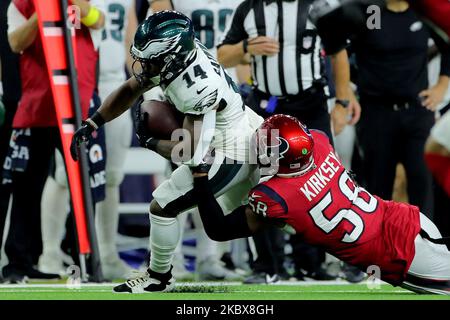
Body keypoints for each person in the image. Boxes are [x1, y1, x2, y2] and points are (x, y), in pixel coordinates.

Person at [71, 10, 264, 293]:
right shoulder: (180, 57)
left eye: (150, 60)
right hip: (234, 133)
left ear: (170, 56)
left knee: (163, 205)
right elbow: (130, 89)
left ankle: (158, 277)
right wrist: (94, 121)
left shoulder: (197, 87)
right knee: (256, 213)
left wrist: (148, 141)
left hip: (231, 148)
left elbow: (187, 151)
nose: (143, 66)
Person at [192, 114, 450, 295]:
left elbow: (219, 230)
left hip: (399, 255)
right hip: (407, 218)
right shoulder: (320, 143)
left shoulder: (275, 197)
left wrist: (201, 177)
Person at [216, 0, 362, 283]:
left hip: (310, 103)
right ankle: (268, 265)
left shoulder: (319, 6)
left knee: (320, 182)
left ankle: (312, 263)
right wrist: (246, 49)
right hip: (266, 107)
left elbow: (337, 52)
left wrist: (343, 100)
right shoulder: (249, 8)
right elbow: (222, 55)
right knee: (259, 182)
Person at [1, 0, 105, 283]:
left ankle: (85, 261)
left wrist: (71, 5)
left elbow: (99, 21)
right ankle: (18, 264)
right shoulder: (21, 4)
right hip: (38, 108)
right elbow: (14, 42)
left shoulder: (83, 3)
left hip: (78, 108)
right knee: (26, 188)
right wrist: (41, 14)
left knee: (85, 188)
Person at [147, 0, 248, 282]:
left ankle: (209, 257)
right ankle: (172, 260)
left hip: (220, 93)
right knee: (180, 175)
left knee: (215, 185)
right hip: (182, 92)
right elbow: (156, 31)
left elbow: (240, 50)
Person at [38, 0, 138, 281]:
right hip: (76, 82)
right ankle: (50, 253)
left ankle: (107, 252)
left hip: (115, 85)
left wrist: (143, 81)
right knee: (61, 173)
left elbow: (130, 39)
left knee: (112, 176)